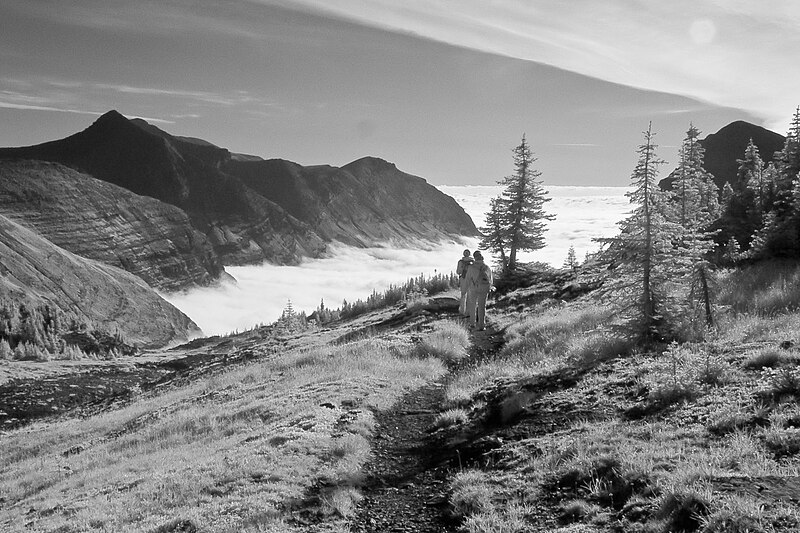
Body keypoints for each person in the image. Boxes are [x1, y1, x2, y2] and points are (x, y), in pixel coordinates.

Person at [465, 250, 493, 331]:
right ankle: (481, 325)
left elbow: (467, 279)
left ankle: (472, 324)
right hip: (484, 288)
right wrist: (489, 288)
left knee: (472, 306)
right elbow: (490, 280)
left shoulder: (471, 267)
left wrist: (466, 288)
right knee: (482, 307)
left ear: (474, 258)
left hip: (473, 288)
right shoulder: (487, 267)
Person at [455, 249, 473, 316]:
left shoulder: (460, 262)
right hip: (470, 280)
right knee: (469, 295)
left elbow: (458, 272)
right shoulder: (472, 262)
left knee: (463, 295)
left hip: (463, 279)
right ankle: (468, 311)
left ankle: (462, 311)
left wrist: (462, 269)